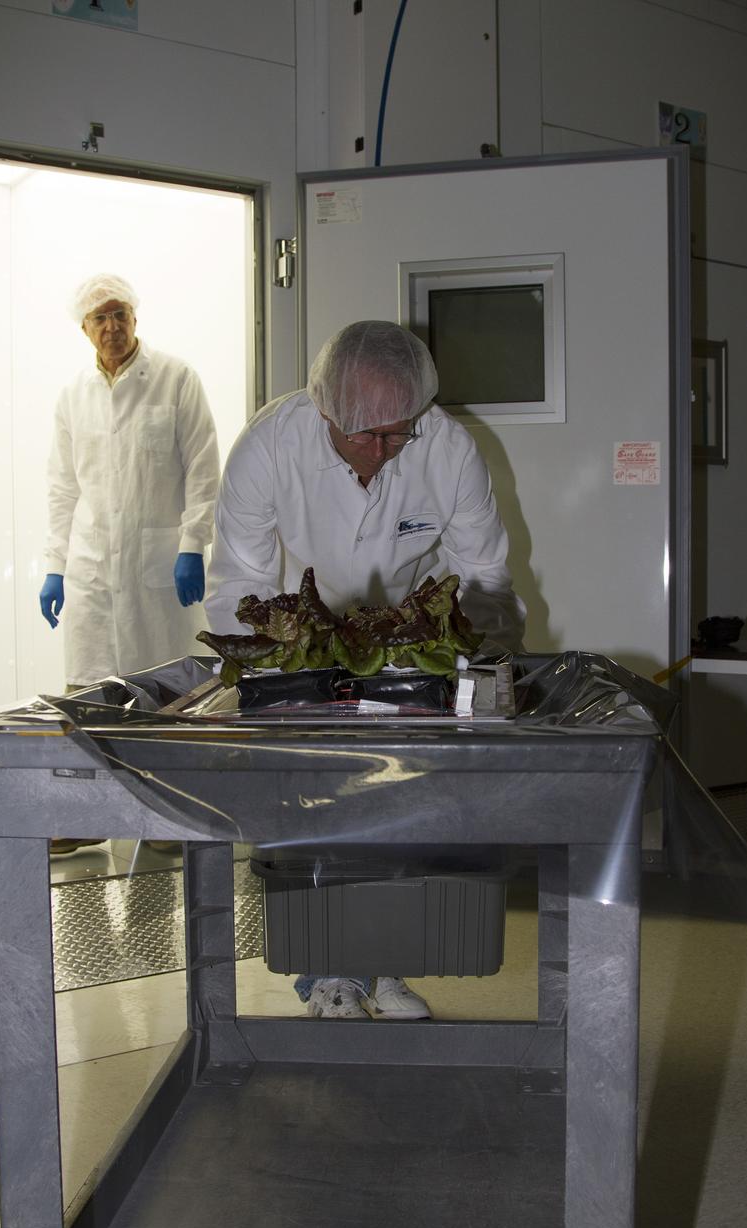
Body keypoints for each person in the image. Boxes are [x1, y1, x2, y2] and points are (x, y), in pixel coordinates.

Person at [205, 319, 525, 1020]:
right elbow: (239, 583)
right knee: (315, 798)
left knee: (403, 801)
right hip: (302, 635)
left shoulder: (443, 448)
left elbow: (482, 575)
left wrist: (490, 673)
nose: (383, 451)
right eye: (365, 435)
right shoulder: (269, 446)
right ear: (324, 411)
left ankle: (383, 962)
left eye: (397, 433)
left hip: (408, 639)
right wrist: (261, 678)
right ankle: (327, 972)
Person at [40, 273, 220, 856]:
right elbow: (62, 488)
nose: (111, 327)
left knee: (165, 698)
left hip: (159, 570)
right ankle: (89, 817)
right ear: (84, 329)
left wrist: (193, 544)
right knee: (89, 697)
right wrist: (54, 564)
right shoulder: (73, 396)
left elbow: (203, 469)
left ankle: (168, 817)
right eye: (99, 319)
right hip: (93, 570)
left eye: (119, 314)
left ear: (135, 317)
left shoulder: (175, 380)